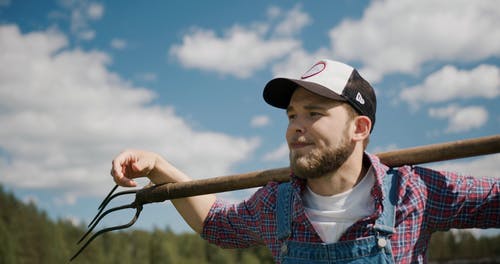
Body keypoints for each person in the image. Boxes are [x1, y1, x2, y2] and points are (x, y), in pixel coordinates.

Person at [110, 59, 499, 263]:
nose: (296, 127)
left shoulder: (413, 192)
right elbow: (216, 224)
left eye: (314, 113)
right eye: (292, 115)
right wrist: (158, 166)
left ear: (359, 127)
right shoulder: (276, 204)